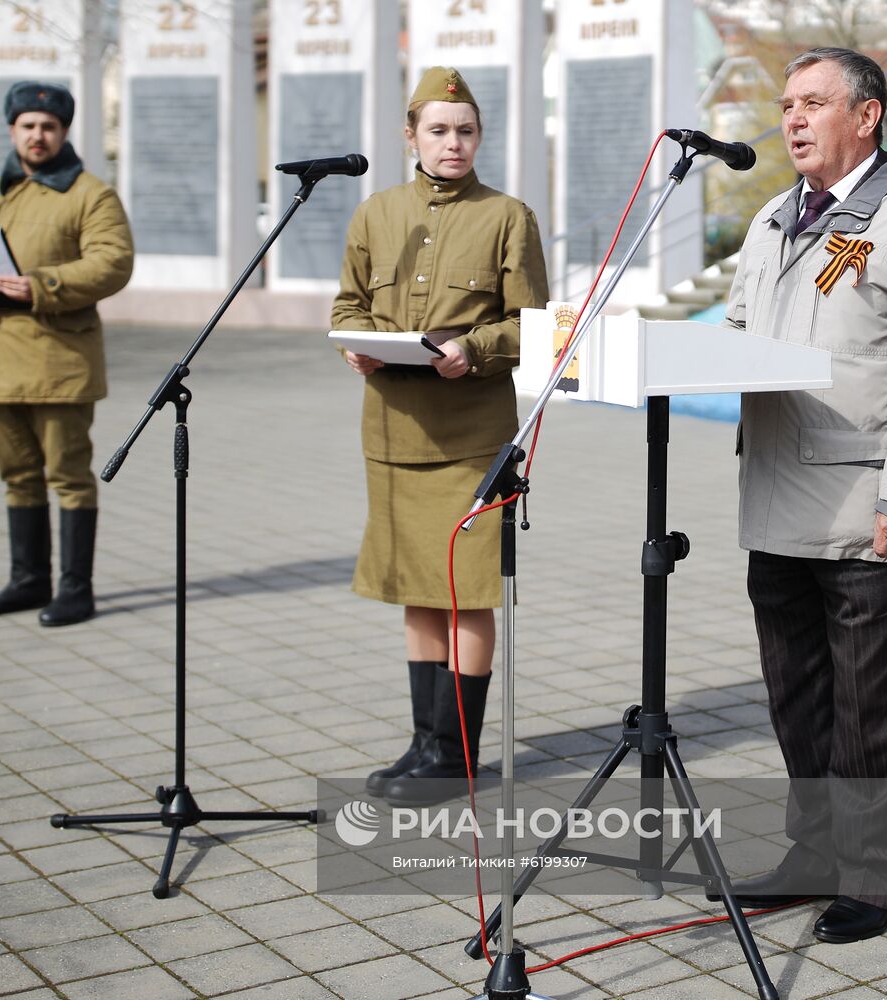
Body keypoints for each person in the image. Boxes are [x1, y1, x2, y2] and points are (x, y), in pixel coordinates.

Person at [721, 47, 887, 943]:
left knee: (873, 705)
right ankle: (816, 853)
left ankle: (877, 875)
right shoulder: (770, 220)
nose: (791, 119)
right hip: (775, 496)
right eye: (786, 104)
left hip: (864, 500)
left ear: (866, 116)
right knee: (797, 697)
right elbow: (740, 336)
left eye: (813, 103)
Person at [331, 67, 548, 808]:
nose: (454, 143)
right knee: (416, 590)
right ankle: (426, 742)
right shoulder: (375, 213)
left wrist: (476, 350)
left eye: (466, 130)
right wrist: (353, 343)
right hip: (392, 430)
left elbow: (532, 324)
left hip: (468, 434)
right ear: (411, 137)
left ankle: (457, 754)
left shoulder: (506, 216)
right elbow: (349, 304)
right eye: (439, 130)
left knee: (465, 592)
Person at [0, 81, 134, 628]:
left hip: (59, 362)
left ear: (64, 132)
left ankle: (75, 589)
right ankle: (28, 579)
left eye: (48, 127)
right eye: (28, 126)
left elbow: (112, 262)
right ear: (12, 131)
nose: (38, 136)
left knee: (68, 476)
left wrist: (41, 285)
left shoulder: (89, 194)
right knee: (18, 475)